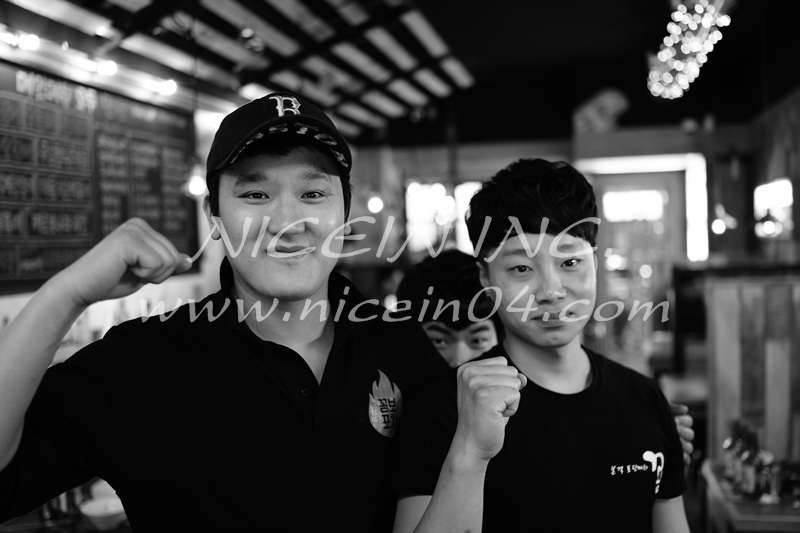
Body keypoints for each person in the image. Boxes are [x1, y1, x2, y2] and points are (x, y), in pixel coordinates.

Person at [0, 92, 522, 532]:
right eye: (255, 193)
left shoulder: (402, 347)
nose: (286, 221)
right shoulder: (144, 362)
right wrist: (66, 293)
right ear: (215, 215)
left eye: (312, 192)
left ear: (344, 210)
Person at [393, 159, 691, 532]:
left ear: (594, 261)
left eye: (570, 262)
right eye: (521, 268)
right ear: (486, 277)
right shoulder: (443, 409)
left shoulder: (646, 400)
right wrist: (469, 450)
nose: (550, 291)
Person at [397, 249, 695, 462]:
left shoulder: (530, 399)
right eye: (439, 340)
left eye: (477, 340)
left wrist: (642, 438)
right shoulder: (415, 412)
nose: (460, 359)